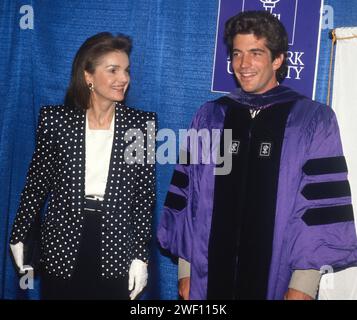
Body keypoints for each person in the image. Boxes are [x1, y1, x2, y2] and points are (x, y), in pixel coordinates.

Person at [157, 11, 357, 300]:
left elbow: (318, 210)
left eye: (255, 53)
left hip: (278, 280)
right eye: (237, 53)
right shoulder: (211, 116)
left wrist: (302, 285)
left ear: (277, 60)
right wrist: (185, 273)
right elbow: (189, 199)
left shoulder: (313, 120)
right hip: (207, 279)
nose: (243, 64)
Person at [9, 32, 156, 300]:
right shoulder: (56, 121)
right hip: (62, 241)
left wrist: (140, 256)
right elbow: (37, 183)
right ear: (88, 76)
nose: (124, 78)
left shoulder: (139, 127)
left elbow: (144, 197)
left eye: (126, 70)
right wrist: (19, 232)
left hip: (116, 244)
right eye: (113, 70)